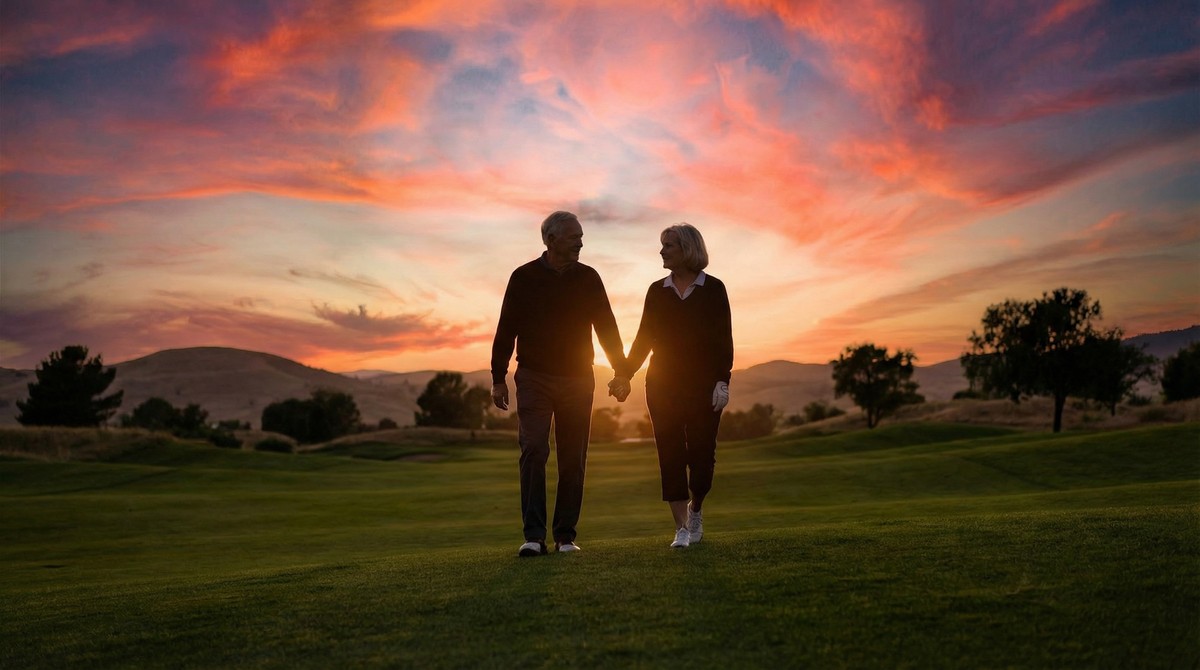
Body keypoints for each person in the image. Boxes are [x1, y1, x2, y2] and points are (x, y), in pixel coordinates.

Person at [491, 211, 627, 557]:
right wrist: (498, 377)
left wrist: (621, 371)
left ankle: (565, 536)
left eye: (581, 236)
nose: (581, 242)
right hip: (534, 377)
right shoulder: (523, 277)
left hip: (578, 378)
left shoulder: (589, 278)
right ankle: (534, 536)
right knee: (534, 449)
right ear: (551, 240)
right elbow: (506, 328)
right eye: (574, 237)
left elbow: (607, 327)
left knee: (572, 457)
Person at [610, 223, 733, 549]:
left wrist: (723, 380)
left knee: (702, 458)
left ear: (687, 249)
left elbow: (723, 339)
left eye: (669, 245)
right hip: (662, 385)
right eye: (662, 245)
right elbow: (643, 339)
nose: (662, 251)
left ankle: (696, 508)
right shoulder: (657, 291)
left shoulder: (713, 289)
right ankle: (681, 528)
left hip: (704, 386)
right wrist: (624, 374)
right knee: (670, 453)